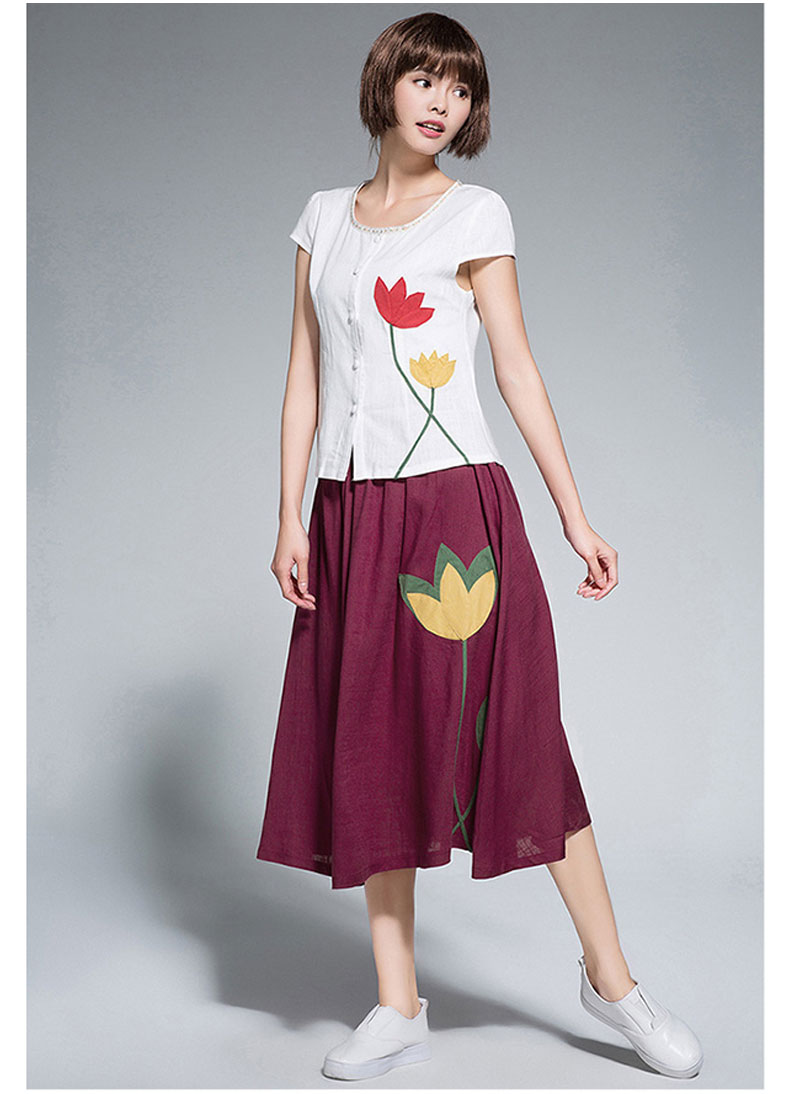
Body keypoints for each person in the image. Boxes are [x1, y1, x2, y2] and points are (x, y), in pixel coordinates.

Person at [255, 10, 703, 1084]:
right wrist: (288, 514)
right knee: (370, 742)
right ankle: (396, 1001)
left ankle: (613, 983)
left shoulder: (476, 214)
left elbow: (516, 368)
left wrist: (574, 514)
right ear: (386, 85)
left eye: (459, 89)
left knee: (521, 738)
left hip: (458, 509)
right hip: (351, 513)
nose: (441, 102)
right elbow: (304, 374)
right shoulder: (321, 218)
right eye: (425, 79)